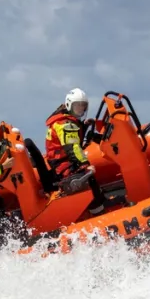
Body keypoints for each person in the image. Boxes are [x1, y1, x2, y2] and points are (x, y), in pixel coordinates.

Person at [44, 87, 112, 215]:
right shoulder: (65, 124)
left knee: (90, 177)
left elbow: (73, 140)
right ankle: (97, 211)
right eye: (77, 106)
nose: (80, 109)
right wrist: (85, 165)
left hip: (62, 163)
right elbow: (73, 148)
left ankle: (100, 203)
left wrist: (84, 127)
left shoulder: (66, 121)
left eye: (83, 106)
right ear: (69, 105)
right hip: (62, 166)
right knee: (89, 178)